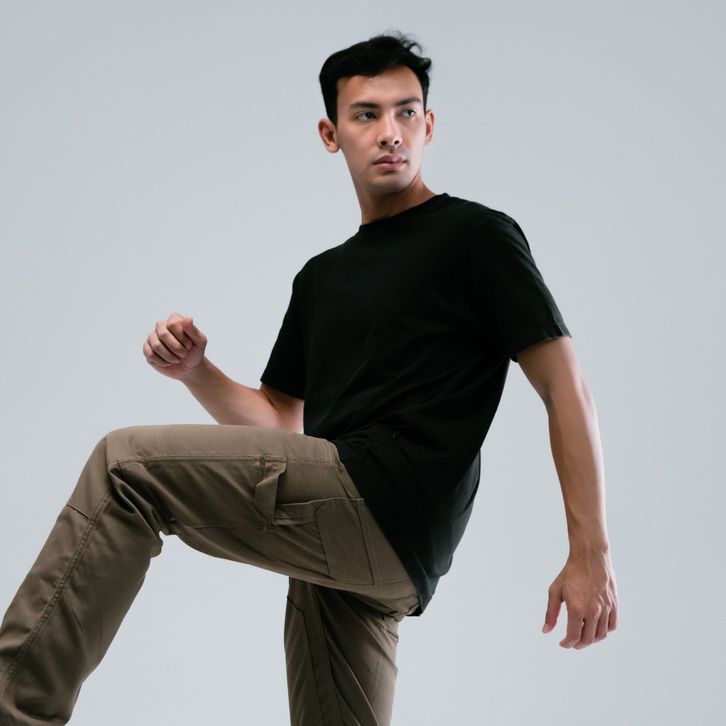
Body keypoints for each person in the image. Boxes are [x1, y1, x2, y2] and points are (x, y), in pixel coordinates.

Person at [0, 30, 618, 726]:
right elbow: (278, 424)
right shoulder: (322, 278)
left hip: (388, 499)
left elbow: (566, 387)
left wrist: (589, 552)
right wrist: (197, 372)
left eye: (406, 112)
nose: (390, 132)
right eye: (367, 115)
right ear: (331, 133)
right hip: (352, 539)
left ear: (429, 125)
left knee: (126, 468)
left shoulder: (477, 237)